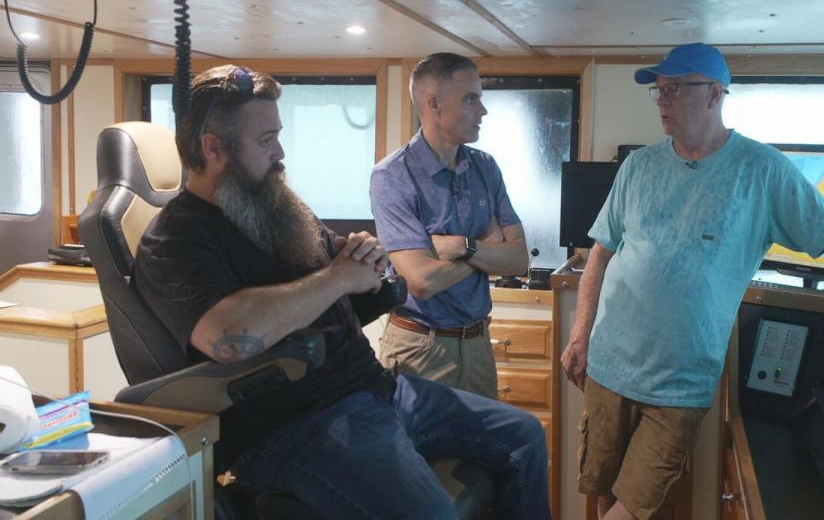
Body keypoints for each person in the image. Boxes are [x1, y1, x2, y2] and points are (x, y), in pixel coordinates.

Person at [559, 43, 824, 520]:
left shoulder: (762, 170)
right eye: (659, 92)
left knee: (639, 506)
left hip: (679, 386)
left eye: (674, 89)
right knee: (604, 493)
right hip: (608, 368)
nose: (663, 100)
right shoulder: (639, 166)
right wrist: (581, 332)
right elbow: (602, 251)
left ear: (714, 94)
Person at [133, 64, 550, 519]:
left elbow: (352, 264)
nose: (280, 152)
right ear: (214, 148)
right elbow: (226, 334)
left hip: (373, 390)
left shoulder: (275, 207)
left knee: (523, 435)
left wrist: (364, 260)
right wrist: (337, 277)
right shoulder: (175, 239)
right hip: (295, 424)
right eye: (265, 140)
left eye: (278, 134)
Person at [369, 52, 528, 399]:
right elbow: (422, 282)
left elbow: (519, 261)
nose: (482, 111)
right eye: (471, 99)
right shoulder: (392, 176)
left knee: (485, 452)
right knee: (424, 454)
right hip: (420, 349)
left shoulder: (486, 167)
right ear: (434, 105)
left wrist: (461, 246)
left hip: (478, 344)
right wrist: (487, 247)